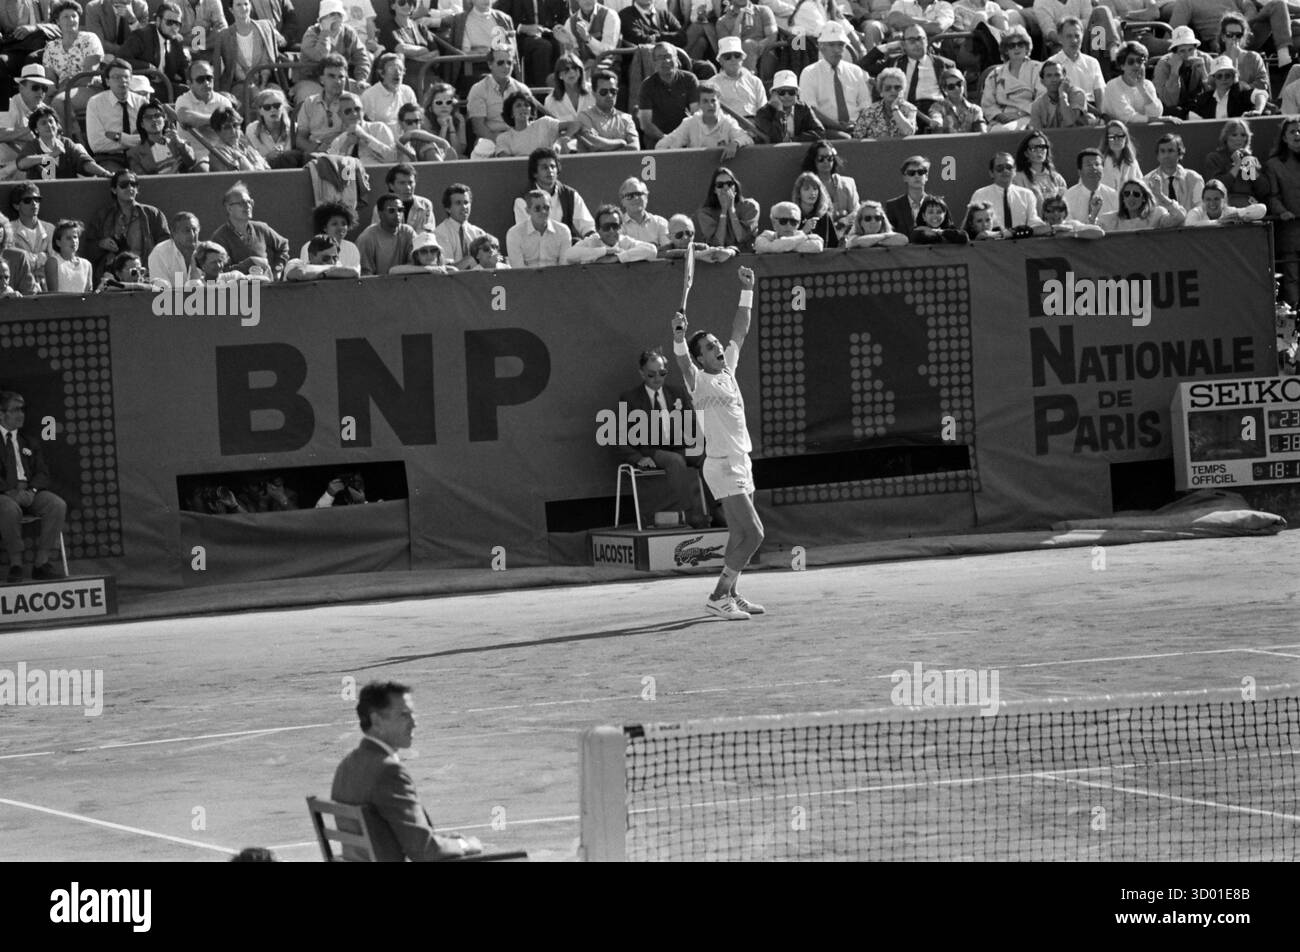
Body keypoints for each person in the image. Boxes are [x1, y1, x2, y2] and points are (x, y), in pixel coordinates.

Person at [671, 266, 764, 621]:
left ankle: (733, 595)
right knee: (754, 534)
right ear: (700, 358)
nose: (718, 349)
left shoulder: (728, 370)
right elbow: (680, 360)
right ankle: (718, 594)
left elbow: (740, 329)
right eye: (709, 348)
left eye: (715, 345)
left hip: (743, 460)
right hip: (722, 465)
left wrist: (747, 290)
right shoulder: (699, 381)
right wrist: (678, 336)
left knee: (739, 533)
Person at [330, 680, 483, 862]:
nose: (414, 723)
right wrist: (465, 845)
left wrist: (442, 842)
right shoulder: (389, 771)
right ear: (376, 720)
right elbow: (425, 851)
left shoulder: (347, 765)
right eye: (404, 715)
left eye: (412, 714)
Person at [616, 348, 709, 529]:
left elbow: (693, 424)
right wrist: (638, 458)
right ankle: (692, 515)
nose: (657, 378)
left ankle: (720, 509)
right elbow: (618, 436)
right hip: (652, 450)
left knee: (708, 457)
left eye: (662, 373)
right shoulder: (630, 399)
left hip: (679, 445)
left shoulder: (677, 393)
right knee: (674, 461)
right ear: (642, 373)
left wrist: (698, 443)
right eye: (651, 374)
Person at [0, 390, 68, 582]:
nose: (21, 414)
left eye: (22, 410)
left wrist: (32, 491)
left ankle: (41, 563)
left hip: (29, 491)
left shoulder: (29, 441)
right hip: (4, 493)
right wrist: (9, 491)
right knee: (8, 508)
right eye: (15, 410)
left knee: (56, 504)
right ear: (1, 413)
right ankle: (15, 564)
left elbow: (42, 473)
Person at [798, 22, 872, 139]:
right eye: (832, 45)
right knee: (845, 138)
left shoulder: (855, 71)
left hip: (857, 126)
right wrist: (839, 126)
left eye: (841, 45)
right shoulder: (809, 73)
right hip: (825, 128)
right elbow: (810, 110)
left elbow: (865, 104)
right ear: (821, 46)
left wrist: (859, 124)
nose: (837, 50)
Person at [86, 169, 169, 274]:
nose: (130, 188)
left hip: (146, 273)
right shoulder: (102, 216)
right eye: (124, 184)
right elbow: (89, 247)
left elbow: (166, 245)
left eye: (133, 184)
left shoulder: (152, 214)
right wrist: (101, 244)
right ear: (114, 190)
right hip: (114, 275)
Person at [510, 147, 595, 240]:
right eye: (544, 167)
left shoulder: (570, 195)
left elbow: (587, 226)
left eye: (553, 166)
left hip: (567, 248)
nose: (550, 171)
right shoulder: (522, 200)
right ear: (535, 173)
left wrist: (593, 240)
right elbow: (526, 234)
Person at [210, 180, 289, 277]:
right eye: (242, 203)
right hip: (239, 290)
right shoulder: (220, 238)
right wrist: (249, 263)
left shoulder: (261, 228)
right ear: (229, 208)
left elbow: (283, 245)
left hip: (266, 288)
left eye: (249, 202)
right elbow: (220, 272)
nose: (248, 206)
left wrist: (277, 269)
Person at [298, 0, 370, 101]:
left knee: (365, 94)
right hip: (312, 80)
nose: (336, 17)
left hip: (340, 80)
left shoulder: (349, 33)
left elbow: (362, 57)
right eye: (332, 14)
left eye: (339, 14)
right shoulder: (311, 34)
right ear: (322, 19)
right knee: (312, 99)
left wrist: (361, 79)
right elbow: (321, 56)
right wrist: (325, 33)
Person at [43, 1, 104, 117]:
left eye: (74, 16)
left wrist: (64, 87)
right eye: (66, 17)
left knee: (59, 102)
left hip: (90, 89)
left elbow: (87, 77)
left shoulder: (89, 39)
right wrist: (52, 91)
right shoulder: (51, 47)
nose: (71, 20)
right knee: (40, 107)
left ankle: (71, 135)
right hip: (61, 90)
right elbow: (50, 80)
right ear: (57, 22)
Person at [17, 105, 112, 179]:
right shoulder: (32, 146)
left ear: (57, 125)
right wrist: (50, 156)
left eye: (51, 121)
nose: (49, 125)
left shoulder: (66, 143)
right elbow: (22, 163)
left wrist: (105, 173)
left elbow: (84, 162)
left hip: (68, 193)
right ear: (36, 129)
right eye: (43, 123)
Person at [211, 0, 282, 99]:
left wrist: (262, 84)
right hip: (239, 83)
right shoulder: (224, 35)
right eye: (239, 5)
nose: (243, 8)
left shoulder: (265, 26)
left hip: (265, 81)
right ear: (231, 10)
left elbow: (267, 59)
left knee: (276, 96)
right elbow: (233, 67)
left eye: (246, 4)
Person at [654, 82, 752, 153]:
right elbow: (663, 145)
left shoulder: (728, 122)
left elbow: (747, 138)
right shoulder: (690, 123)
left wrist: (735, 143)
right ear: (699, 104)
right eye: (705, 101)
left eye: (713, 101)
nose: (710, 105)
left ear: (719, 102)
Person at [637, 41, 702, 148]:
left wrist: (681, 139)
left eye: (668, 56)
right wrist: (667, 139)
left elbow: (696, 114)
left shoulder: (690, 79)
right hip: (657, 139)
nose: (666, 61)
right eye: (660, 57)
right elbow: (646, 124)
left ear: (676, 59)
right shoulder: (647, 86)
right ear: (654, 63)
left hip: (685, 137)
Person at [465, 45, 531, 147]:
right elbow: (479, 127)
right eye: (500, 63)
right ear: (490, 64)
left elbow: (528, 122)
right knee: (483, 148)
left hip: (518, 137)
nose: (506, 66)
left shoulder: (522, 89)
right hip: (489, 139)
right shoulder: (478, 89)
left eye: (509, 63)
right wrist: (501, 142)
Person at [85, 59, 146, 169]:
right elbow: (97, 144)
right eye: (116, 77)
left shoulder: (142, 102)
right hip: (109, 158)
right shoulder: (95, 103)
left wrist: (118, 137)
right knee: (116, 179)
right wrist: (130, 140)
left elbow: (149, 137)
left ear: (131, 79)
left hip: (140, 156)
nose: (122, 81)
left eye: (126, 77)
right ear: (107, 81)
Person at [980, 26, 1042, 132]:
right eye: (1012, 45)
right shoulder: (995, 74)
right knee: (994, 131)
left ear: (1027, 47)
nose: (1016, 48)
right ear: (1006, 50)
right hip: (1001, 119)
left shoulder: (1038, 69)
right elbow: (987, 103)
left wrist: (1019, 114)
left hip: (1029, 117)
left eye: (1021, 44)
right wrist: (999, 115)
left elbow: (1042, 98)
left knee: (1006, 131)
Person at [1267, 116, 1300, 309]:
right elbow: (1272, 196)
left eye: (1299, 130)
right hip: (1290, 231)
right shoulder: (1274, 165)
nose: (1297, 134)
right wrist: (1283, 212)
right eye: (1292, 131)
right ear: (1284, 138)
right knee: (1292, 277)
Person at [120, 3, 190, 94]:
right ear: (158, 20)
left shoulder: (177, 40)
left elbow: (184, 69)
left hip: (165, 86)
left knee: (190, 92)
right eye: (169, 22)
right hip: (143, 88)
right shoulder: (142, 35)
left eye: (177, 24)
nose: (174, 27)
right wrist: (148, 67)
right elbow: (122, 59)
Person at [496, 0, 567, 86]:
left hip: (545, 33)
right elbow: (499, 18)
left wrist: (557, 27)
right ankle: (541, 92)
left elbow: (562, 16)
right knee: (543, 46)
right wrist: (522, 28)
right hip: (519, 37)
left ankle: (558, 89)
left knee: (558, 44)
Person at [969, 150, 1046, 230]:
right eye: (1000, 168)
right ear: (991, 173)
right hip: (991, 241)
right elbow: (971, 225)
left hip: (1021, 241)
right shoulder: (980, 194)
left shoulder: (1027, 195)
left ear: (1014, 171)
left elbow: (1033, 222)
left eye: (1009, 167)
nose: (1005, 171)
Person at [494, 89, 583, 157]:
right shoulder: (503, 138)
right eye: (518, 105)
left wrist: (562, 139)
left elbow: (575, 124)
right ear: (511, 113)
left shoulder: (545, 123)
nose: (523, 108)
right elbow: (507, 163)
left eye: (526, 105)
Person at [0, 65, 56, 169]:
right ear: (21, 88)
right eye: (35, 87)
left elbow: (55, 136)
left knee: (54, 165)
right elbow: (1, 134)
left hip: (33, 163)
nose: (40, 92)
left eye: (44, 88)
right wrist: (30, 128)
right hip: (7, 166)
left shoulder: (44, 108)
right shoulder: (9, 104)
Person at [1205, 117, 1268, 207]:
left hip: (1249, 204)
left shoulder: (1250, 158)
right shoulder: (1214, 158)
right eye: (1234, 135)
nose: (1239, 139)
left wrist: (1252, 171)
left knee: (1261, 208)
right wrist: (1237, 166)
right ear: (1226, 137)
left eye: (1243, 135)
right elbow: (1216, 188)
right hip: (1225, 203)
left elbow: (1263, 190)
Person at [127, 99, 203, 174]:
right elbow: (143, 183)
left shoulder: (178, 142)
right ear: (142, 124)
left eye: (157, 115)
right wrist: (170, 174)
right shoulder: (134, 154)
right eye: (148, 117)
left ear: (164, 119)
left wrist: (180, 144)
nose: (154, 119)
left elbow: (191, 162)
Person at [325, 91, 403, 164]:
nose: (354, 114)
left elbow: (392, 158)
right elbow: (335, 170)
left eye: (357, 109)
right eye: (348, 111)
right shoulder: (339, 141)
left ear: (363, 111)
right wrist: (346, 145)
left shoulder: (379, 128)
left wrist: (365, 136)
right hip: (351, 177)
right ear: (340, 115)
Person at [564, 203, 658, 264]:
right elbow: (568, 255)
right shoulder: (591, 241)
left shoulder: (625, 241)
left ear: (621, 227)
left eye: (615, 226)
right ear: (598, 229)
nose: (611, 231)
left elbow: (652, 250)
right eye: (606, 227)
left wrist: (618, 258)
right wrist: (605, 251)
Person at [696, 165, 760, 253]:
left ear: (735, 187)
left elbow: (741, 237)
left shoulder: (750, 206)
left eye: (729, 184)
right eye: (720, 185)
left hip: (747, 257)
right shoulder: (705, 213)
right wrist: (724, 211)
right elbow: (717, 243)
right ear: (714, 190)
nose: (725, 188)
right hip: (719, 260)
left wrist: (731, 209)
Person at [1152, 24, 1212, 119]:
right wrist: (1174, 73)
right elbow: (1169, 102)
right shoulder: (1163, 64)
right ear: (1174, 52)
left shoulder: (1205, 59)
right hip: (1175, 111)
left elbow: (1215, 96)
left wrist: (1204, 74)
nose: (1187, 55)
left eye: (1190, 50)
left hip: (1198, 106)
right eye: (1182, 51)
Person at [295, 52, 349, 154]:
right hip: (314, 151)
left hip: (342, 153)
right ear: (321, 79)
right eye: (331, 76)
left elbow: (351, 135)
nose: (337, 81)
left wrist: (328, 147)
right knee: (282, 159)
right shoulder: (309, 102)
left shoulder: (352, 102)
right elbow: (300, 139)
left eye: (341, 77)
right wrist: (316, 150)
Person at [1047, 16, 1105, 110]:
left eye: (1077, 36)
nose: (1074, 40)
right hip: (1064, 111)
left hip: (1091, 112)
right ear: (1060, 38)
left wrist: (1101, 117)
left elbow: (1100, 92)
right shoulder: (1051, 63)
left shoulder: (1092, 63)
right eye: (1069, 36)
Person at [754, 69, 825, 143]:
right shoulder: (762, 114)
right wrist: (780, 111)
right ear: (773, 94)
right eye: (782, 92)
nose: (787, 96)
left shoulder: (804, 108)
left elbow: (820, 133)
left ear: (797, 93)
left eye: (791, 92)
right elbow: (777, 139)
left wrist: (792, 140)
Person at [577, 68, 639, 151]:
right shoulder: (585, 116)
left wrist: (605, 149)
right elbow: (594, 144)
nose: (609, 95)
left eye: (613, 91)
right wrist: (621, 142)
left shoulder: (626, 119)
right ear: (593, 93)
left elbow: (635, 148)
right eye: (603, 91)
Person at [884, 154, 949, 233]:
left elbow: (948, 231)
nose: (917, 176)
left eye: (921, 172)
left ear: (927, 176)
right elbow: (889, 235)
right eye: (911, 173)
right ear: (905, 177)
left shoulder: (938, 203)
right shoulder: (893, 206)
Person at [506, 188, 571, 267]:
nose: (543, 212)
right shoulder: (514, 234)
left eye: (546, 208)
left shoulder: (563, 231)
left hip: (556, 277)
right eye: (537, 208)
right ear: (528, 211)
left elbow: (564, 267)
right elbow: (518, 270)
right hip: (526, 278)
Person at [1101, 40, 1162, 123]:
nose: (1136, 65)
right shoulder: (1112, 86)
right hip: (1116, 133)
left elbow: (1156, 113)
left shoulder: (1148, 85)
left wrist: (1142, 89)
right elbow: (1127, 117)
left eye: (1140, 61)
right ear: (1122, 66)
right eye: (1131, 62)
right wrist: (1157, 119)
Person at [1188, 55, 1268, 118]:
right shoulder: (1206, 98)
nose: (1223, 79)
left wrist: (1258, 110)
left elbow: (1260, 94)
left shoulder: (1240, 89)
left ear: (1233, 77)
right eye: (1219, 76)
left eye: (1227, 75)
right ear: (1214, 79)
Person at [802, 139, 859, 226]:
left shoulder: (848, 183)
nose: (826, 162)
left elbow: (856, 211)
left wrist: (844, 221)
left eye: (829, 158)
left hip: (848, 231)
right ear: (813, 160)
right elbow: (806, 215)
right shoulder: (807, 185)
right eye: (820, 159)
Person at [356, 192, 415, 275]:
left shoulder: (408, 232)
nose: (397, 214)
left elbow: (415, 264)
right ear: (380, 214)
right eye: (391, 210)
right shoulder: (367, 237)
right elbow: (365, 276)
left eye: (400, 210)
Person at [7, 184, 52, 290]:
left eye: (37, 199)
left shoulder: (50, 229)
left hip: (47, 287)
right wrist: (39, 258)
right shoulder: (8, 230)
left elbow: (55, 260)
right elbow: (11, 261)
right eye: (28, 200)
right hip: (20, 288)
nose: (34, 203)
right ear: (16, 205)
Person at [1012, 128, 1068, 213]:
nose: (1039, 151)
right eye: (1033, 148)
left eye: (1042, 147)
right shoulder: (1017, 179)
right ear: (1026, 153)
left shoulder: (1057, 178)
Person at [853, 66, 917, 138]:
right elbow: (857, 137)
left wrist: (895, 108)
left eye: (897, 87)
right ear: (881, 92)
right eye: (888, 88)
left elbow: (908, 131)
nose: (893, 91)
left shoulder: (909, 109)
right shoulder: (869, 111)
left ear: (903, 91)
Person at [1144, 131, 1204, 208]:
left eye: (1170, 151)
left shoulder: (1195, 179)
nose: (1166, 155)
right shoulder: (1147, 181)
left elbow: (1201, 210)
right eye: (1162, 151)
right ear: (1158, 156)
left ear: (1180, 154)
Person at [1099, 177, 1185, 230]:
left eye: (1136, 194)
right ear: (1123, 198)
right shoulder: (1111, 219)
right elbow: (1092, 231)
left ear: (1144, 198)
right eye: (1127, 194)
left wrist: (1160, 195)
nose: (1131, 197)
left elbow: (1180, 217)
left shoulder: (1157, 215)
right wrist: (1094, 212)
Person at [712, 35, 766, 120]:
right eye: (727, 57)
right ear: (720, 61)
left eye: (737, 55)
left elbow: (763, 112)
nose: (733, 59)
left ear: (742, 58)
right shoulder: (712, 85)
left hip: (755, 128)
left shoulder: (755, 82)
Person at [1029, 59, 1094, 128]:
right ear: (1042, 81)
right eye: (1049, 76)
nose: (1053, 79)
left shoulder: (1077, 94)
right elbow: (1036, 133)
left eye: (1057, 75)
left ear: (1065, 78)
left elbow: (1069, 121)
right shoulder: (1037, 105)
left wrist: (1062, 94)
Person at [431, 184, 483, 269]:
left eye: (466, 202)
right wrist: (469, 260)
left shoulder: (478, 233)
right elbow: (447, 269)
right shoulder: (439, 234)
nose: (464, 207)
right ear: (448, 208)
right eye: (458, 203)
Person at [245, 88, 300, 169]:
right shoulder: (252, 129)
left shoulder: (295, 128)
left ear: (283, 107)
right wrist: (267, 158)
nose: (273, 110)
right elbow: (251, 160)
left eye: (277, 106)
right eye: (267, 107)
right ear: (260, 111)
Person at [204, 105, 271, 171]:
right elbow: (235, 179)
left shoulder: (246, 147)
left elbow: (267, 168)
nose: (233, 131)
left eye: (235, 125)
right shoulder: (218, 154)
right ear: (217, 131)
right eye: (227, 127)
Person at [1064, 146, 1119, 223]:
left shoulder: (1113, 196)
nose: (1093, 168)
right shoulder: (1068, 197)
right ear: (1079, 172)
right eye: (1089, 165)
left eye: (1097, 164)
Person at [301, 201, 360, 271]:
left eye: (344, 224)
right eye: (335, 224)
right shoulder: (308, 247)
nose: (340, 227)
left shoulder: (352, 248)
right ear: (324, 227)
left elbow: (355, 276)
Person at [148, 209, 202, 285]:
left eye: (194, 230)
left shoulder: (207, 251)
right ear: (173, 233)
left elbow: (214, 285)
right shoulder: (159, 253)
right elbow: (161, 289)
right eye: (187, 230)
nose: (192, 235)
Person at [790, 171, 841, 249]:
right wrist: (803, 231)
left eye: (815, 189)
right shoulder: (792, 216)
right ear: (798, 193)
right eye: (806, 189)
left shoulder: (825, 216)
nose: (812, 193)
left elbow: (834, 246)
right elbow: (786, 245)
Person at [928, 66, 987, 133]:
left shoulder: (975, 110)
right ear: (944, 90)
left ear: (964, 84)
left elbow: (982, 132)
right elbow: (936, 117)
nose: (956, 88)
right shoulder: (937, 107)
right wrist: (937, 121)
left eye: (959, 84)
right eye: (951, 87)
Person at [1184, 177, 1265, 225]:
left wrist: (1242, 215)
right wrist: (1220, 222)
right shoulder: (1196, 212)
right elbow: (1189, 224)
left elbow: (1262, 209)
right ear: (1203, 200)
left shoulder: (1230, 212)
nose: (1212, 203)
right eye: (1208, 199)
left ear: (1224, 199)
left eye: (1216, 199)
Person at [1219, 11, 1266, 90]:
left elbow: (1263, 83)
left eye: (1238, 35)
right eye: (1229, 35)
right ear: (1223, 37)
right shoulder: (1218, 61)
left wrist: (1247, 87)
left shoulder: (1254, 57)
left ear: (1243, 37)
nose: (1234, 38)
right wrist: (1234, 61)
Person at [543, 52, 594, 123]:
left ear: (580, 71)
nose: (571, 72)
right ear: (559, 75)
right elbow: (550, 129)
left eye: (575, 68)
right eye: (566, 69)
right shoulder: (550, 101)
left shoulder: (594, 92)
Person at [755, 201, 825, 253]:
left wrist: (782, 245)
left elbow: (817, 246)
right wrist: (803, 237)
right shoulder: (765, 236)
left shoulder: (811, 239)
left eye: (793, 222)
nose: (788, 225)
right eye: (783, 221)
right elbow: (770, 247)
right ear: (774, 222)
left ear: (798, 223)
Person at [45, 218, 93, 291]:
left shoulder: (87, 265)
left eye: (75, 237)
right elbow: (53, 296)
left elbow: (88, 296)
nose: (73, 241)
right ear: (58, 242)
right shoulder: (53, 262)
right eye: (68, 238)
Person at [422, 82, 468, 158]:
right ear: (430, 106)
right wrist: (444, 128)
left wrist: (451, 127)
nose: (444, 106)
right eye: (439, 102)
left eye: (448, 102)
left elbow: (459, 151)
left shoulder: (459, 119)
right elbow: (436, 152)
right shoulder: (424, 121)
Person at [618, 177, 668, 247]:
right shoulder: (616, 226)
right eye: (629, 196)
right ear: (622, 201)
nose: (635, 198)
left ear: (646, 197)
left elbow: (667, 250)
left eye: (638, 194)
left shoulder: (660, 223)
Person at [844, 200, 910, 247]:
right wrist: (886, 236)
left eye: (877, 218)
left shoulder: (889, 234)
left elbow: (903, 239)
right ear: (860, 222)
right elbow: (856, 242)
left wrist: (873, 242)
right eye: (868, 218)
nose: (873, 221)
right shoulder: (852, 238)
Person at [1040, 194, 1106, 237]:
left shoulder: (1072, 225)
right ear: (1044, 213)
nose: (1056, 213)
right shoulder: (1039, 227)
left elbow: (1100, 233)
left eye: (1060, 209)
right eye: (1051, 210)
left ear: (1065, 212)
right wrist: (1056, 228)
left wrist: (1070, 234)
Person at [389, 233, 453, 275]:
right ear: (416, 255)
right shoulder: (411, 270)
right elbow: (392, 270)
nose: (429, 255)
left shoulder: (445, 269)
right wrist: (428, 269)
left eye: (433, 250)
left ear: (438, 253)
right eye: (424, 251)